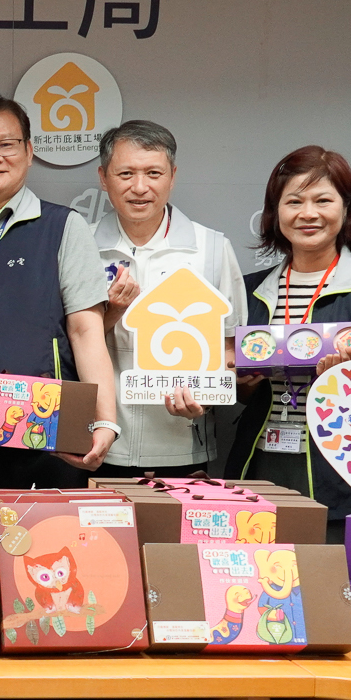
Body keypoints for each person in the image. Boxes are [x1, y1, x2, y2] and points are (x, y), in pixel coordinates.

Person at [0, 94, 120, 488]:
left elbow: (86, 331)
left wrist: (106, 420)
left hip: (48, 438)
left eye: (6, 144)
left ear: (29, 152)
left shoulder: (62, 226)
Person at [229, 146, 351, 539]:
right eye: (294, 201)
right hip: (259, 464)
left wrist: (349, 384)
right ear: (275, 212)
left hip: (342, 472)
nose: (308, 213)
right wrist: (239, 383)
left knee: (329, 571)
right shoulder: (248, 290)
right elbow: (238, 391)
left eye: (323, 200)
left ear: (347, 208)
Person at [83, 120, 246, 477]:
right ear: (103, 177)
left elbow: (231, 348)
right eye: (125, 173)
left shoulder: (212, 248)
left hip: (181, 445)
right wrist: (111, 312)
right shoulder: (79, 246)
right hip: (95, 444)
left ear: (172, 176)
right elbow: (63, 345)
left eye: (153, 173)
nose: (140, 187)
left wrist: (206, 396)